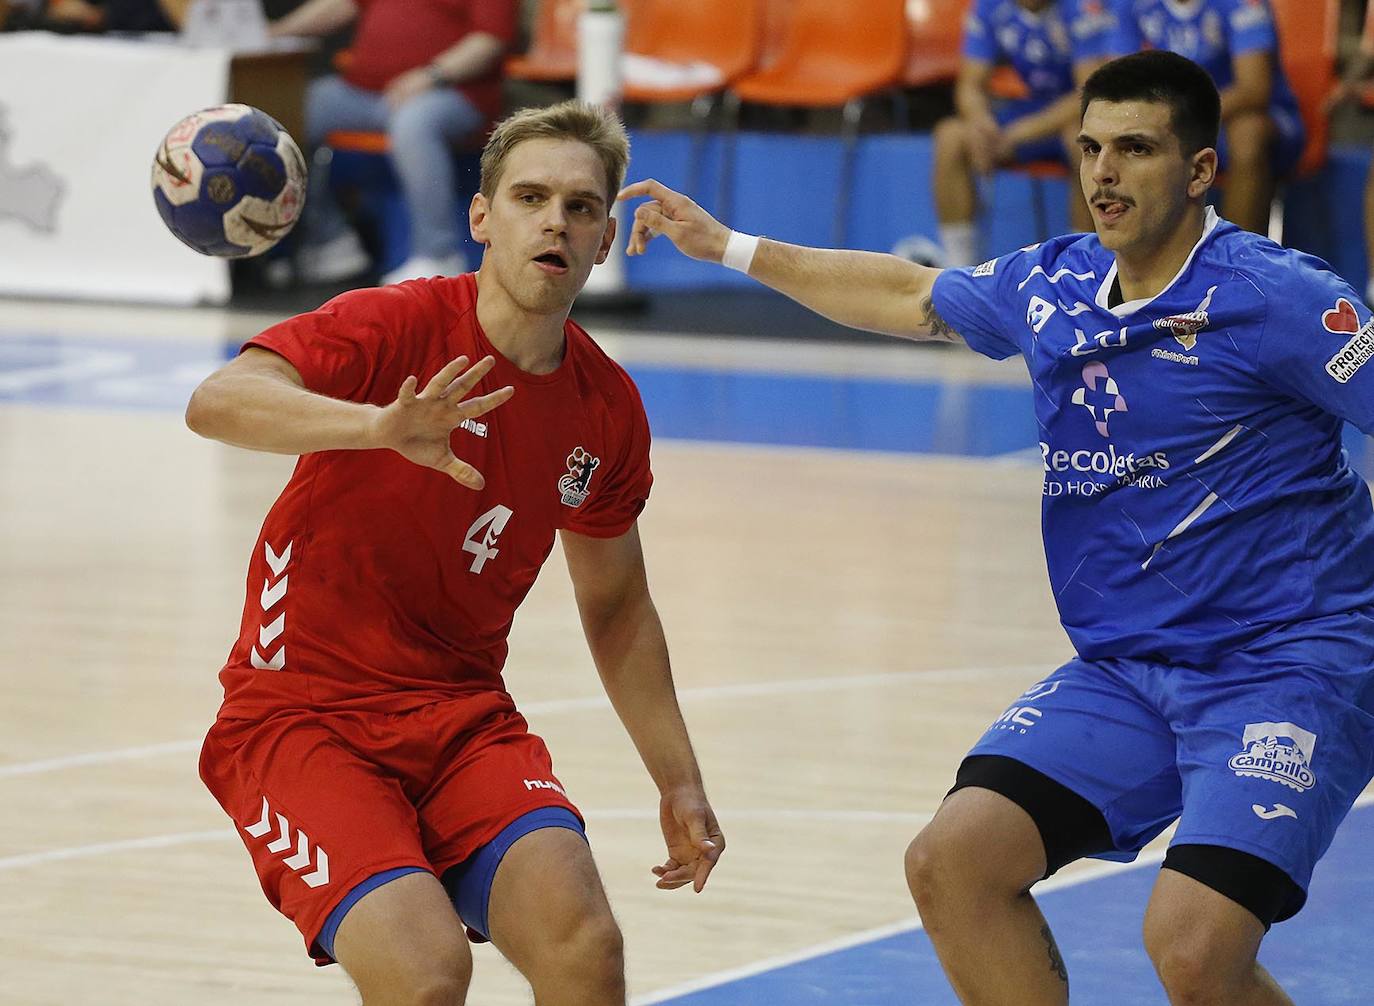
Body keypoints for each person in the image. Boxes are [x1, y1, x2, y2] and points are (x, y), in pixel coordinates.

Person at [621, 50, 1374, 1005]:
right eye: (1091, 147)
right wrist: (730, 246)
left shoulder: (1280, 298)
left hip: (1290, 660)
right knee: (954, 862)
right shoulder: (1050, 285)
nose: (1103, 173)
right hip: (1129, 665)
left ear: (1199, 172)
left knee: (1191, 945)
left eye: (1135, 149)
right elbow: (906, 293)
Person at [188, 99, 724, 1005]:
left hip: (459, 713)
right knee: (430, 969)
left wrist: (679, 780)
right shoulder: (395, 326)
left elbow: (618, 606)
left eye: (583, 207)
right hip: (301, 714)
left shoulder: (607, 410)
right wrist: (376, 427)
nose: (556, 219)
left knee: (585, 944)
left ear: (602, 244)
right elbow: (218, 399)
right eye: (530, 197)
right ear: (482, 218)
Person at [270, 0, 517, 286]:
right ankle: (329, 240)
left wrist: (432, 75)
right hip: (364, 92)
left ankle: (439, 254)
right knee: (292, 110)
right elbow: (342, 5)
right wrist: (274, 32)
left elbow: (491, 39)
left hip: (454, 92)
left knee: (414, 123)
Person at [932, 0, 1112, 266]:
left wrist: (1017, 134)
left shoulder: (1081, 7)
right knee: (950, 136)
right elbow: (969, 86)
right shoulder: (989, 6)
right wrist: (982, 125)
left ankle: (1085, 264)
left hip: (1076, 116)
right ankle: (958, 268)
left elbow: (1089, 94)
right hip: (1029, 108)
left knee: (1082, 141)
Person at [1104, 0, 1304, 235]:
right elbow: (1118, 83)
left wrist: (1173, 119)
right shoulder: (1131, 5)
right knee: (1109, 137)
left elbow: (1253, 89)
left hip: (1258, 119)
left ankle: (1238, 262)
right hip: (1174, 122)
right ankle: (1107, 260)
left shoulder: (1243, 4)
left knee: (1247, 134)